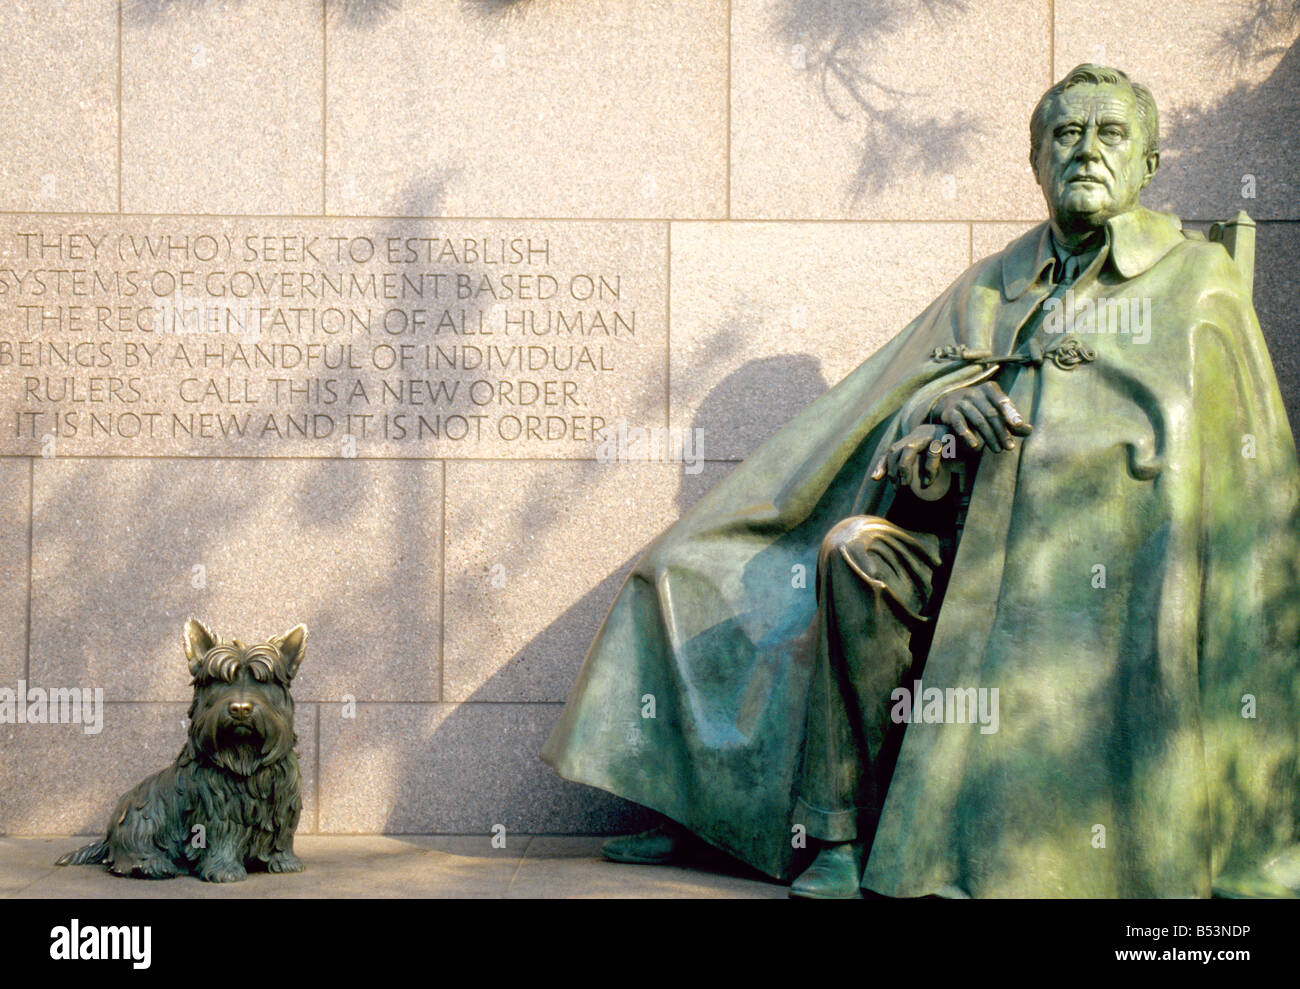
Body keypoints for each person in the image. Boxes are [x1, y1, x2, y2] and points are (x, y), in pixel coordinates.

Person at [543, 64, 1300, 897]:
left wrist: (1042, 438)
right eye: (1065, 135)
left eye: (1110, 134)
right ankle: (796, 827)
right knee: (793, 555)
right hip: (951, 542)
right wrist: (936, 421)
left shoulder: (1197, 280)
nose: (1086, 151)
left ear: (1150, 163)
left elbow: (1199, 453)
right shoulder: (990, 280)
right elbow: (898, 406)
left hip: (1092, 568)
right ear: (1036, 163)